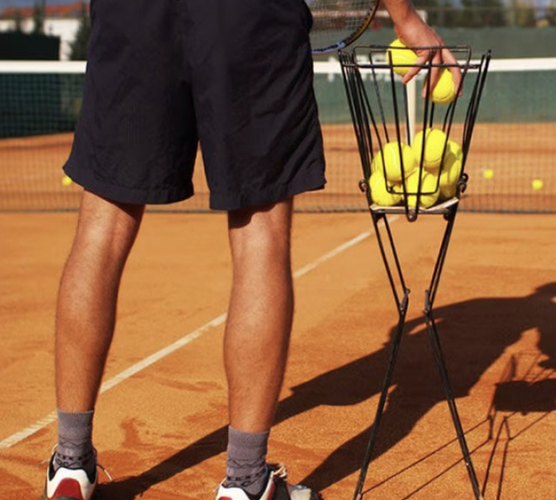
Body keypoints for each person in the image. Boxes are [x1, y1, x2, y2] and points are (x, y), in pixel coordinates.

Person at [43, 1, 457, 500]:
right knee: (260, 232)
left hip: (134, 13)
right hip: (247, 16)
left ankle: (70, 464)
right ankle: (245, 481)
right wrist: (405, 16)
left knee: (101, 227)